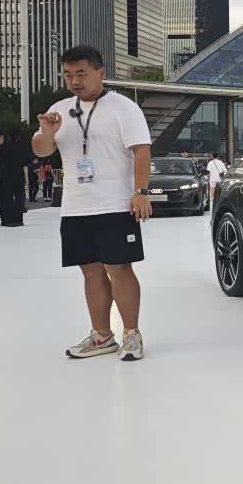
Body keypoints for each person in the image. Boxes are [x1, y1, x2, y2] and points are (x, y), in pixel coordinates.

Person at [32, 45, 152, 361]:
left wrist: (141, 191)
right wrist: (47, 131)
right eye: (68, 74)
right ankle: (102, 336)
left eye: (82, 73)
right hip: (76, 206)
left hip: (115, 204)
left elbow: (141, 151)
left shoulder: (124, 108)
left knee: (119, 268)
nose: (74, 81)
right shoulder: (59, 110)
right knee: (90, 271)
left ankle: (131, 334)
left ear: (101, 72)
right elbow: (42, 150)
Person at [0, 132, 29, 227]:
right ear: (18, 137)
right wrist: (26, 177)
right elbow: (24, 164)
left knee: (6, 198)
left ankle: (7, 220)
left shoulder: (1, 147)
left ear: (8, 137)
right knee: (19, 198)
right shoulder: (22, 147)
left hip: (5, 176)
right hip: (18, 176)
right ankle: (18, 220)